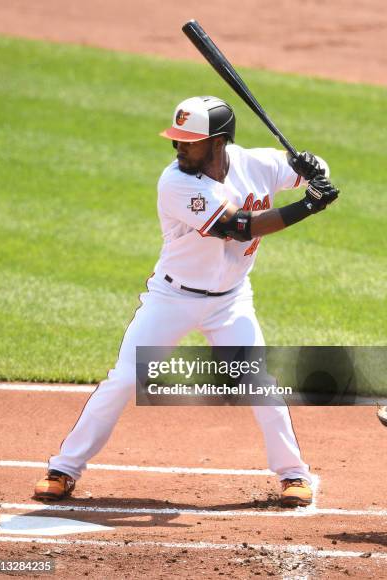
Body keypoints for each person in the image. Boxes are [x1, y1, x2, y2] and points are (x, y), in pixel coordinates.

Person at [34, 96, 339, 507]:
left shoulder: (258, 163)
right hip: (172, 297)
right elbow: (239, 227)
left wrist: (312, 167)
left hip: (230, 301)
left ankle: (294, 475)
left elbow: (308, 168)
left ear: (218, 142)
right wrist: (308, 205)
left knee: (257, 380)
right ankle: (64, 468)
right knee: (125, 378)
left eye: (189, 142)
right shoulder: (177, 182)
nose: (179, 148)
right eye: (177, 140)